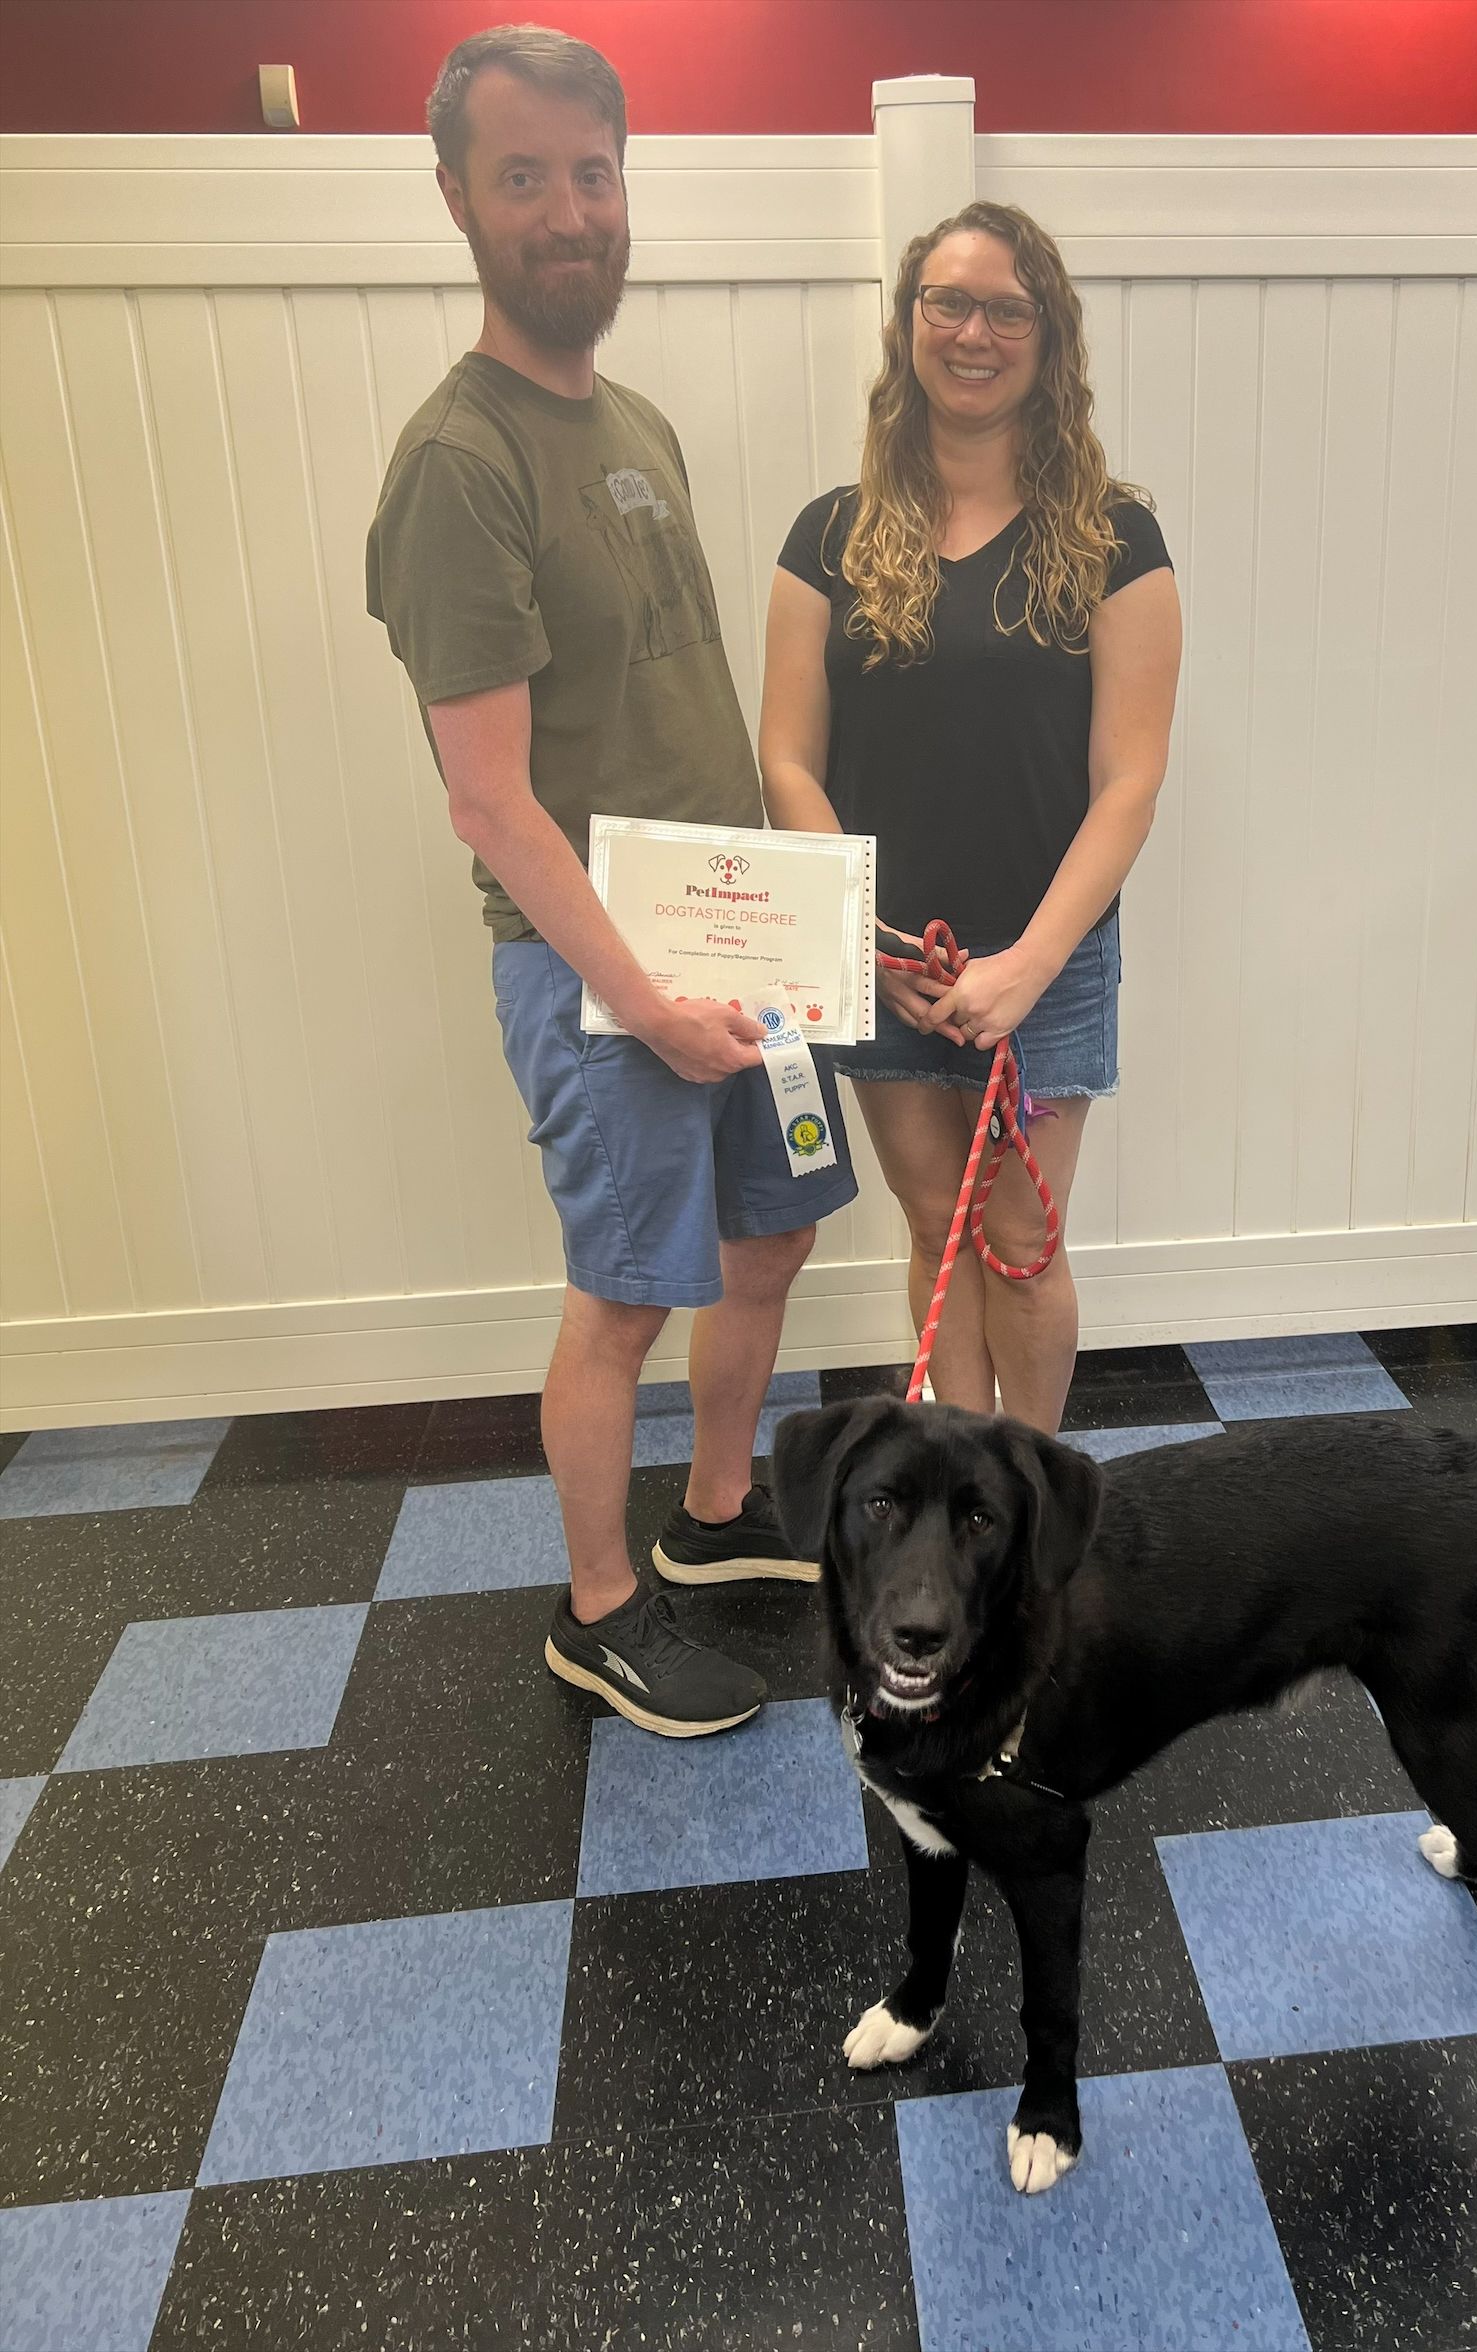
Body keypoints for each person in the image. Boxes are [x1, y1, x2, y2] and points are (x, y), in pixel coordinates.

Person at [366, 26, 855, 1738]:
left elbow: (679, 707)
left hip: (737, 952)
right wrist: (646, 1004)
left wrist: (796, 913)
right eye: (526, 178)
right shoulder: (458, 465)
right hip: (601, 984)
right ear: (457, 200)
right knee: (630, 1295)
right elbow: (491, 805)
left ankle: (719, 1516)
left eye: (595, 171)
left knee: (773, 1237)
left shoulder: (628, 416)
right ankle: (600, 1610)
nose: (570, 211)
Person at [760, 202, 1181, 1432]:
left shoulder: (1115, 539)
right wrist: (863, 946)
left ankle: (1031, 1498)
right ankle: (958, 1489)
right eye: (947, 303)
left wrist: (1030, 967)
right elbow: (787, 760)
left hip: (1046, 959)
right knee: (935, 1224)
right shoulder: (825, 538)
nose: (974, 332)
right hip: (885, 963)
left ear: (1047, 341)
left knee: (1017, 1242)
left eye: (1007, 308)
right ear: (908, 328)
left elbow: (1131, 781)